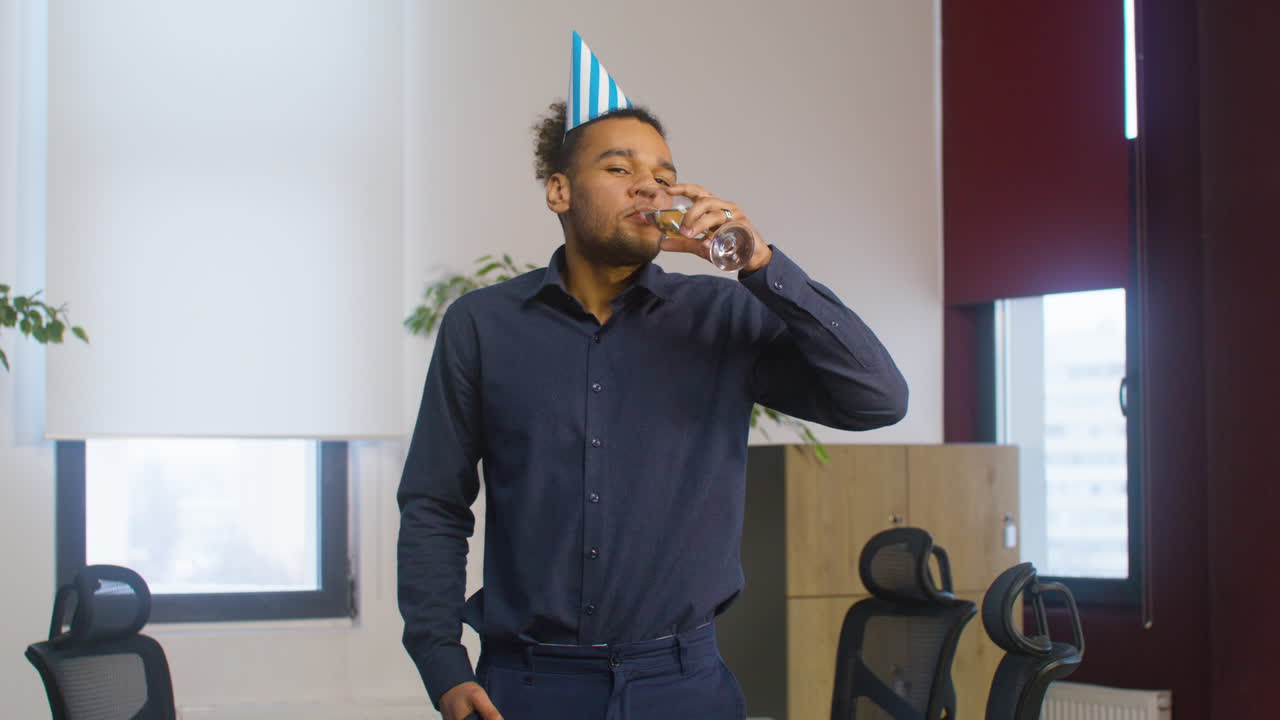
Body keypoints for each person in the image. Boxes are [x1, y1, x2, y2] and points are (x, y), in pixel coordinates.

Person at [398, 34, 908, 720]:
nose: (649, 185)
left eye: (663, 175)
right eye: (618, 167)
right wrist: (441, 663)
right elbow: (435, 504)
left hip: (683, 684)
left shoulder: (724, 315)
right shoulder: (482, 325)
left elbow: (878, 398)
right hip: (524, 686)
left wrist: (763, 267)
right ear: (559, 190)